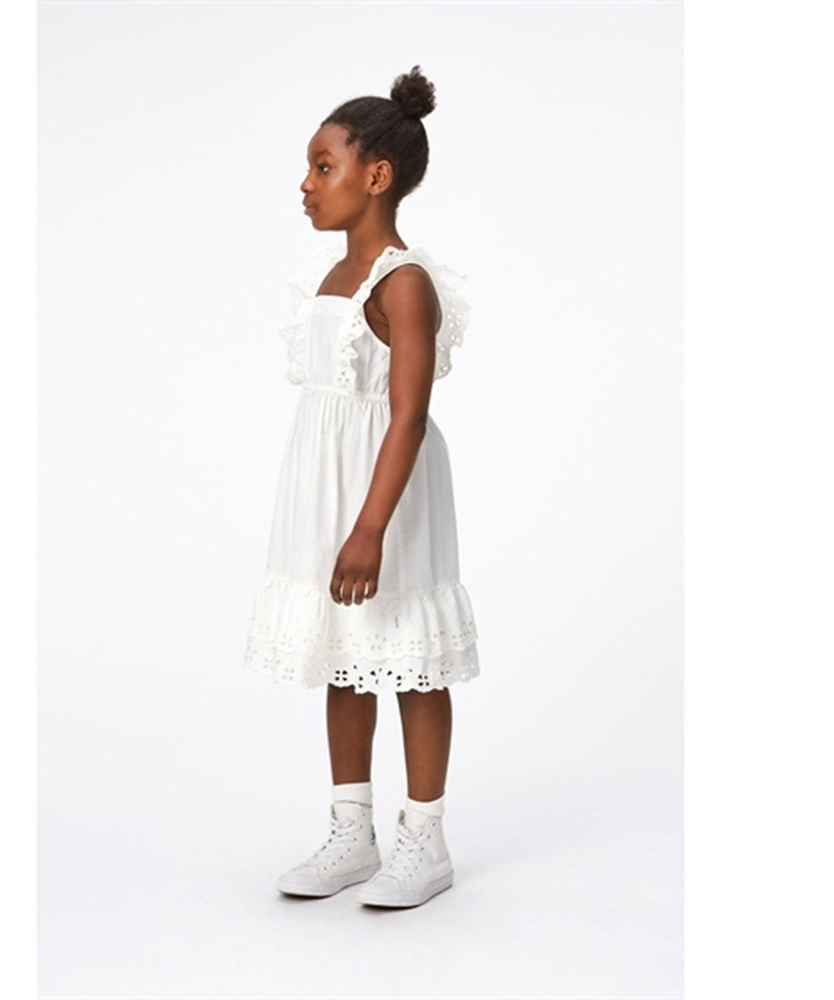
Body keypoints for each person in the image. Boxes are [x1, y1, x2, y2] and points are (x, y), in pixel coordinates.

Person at [242, 65, 481, 909]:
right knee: (343, 656)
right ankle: (352, 831)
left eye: (323, 165)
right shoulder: (330, 281)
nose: (307, 184)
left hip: (390, 494)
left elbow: (407, 415)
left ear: (375, 175)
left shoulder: (402, 283)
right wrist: (337, 520)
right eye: (309, 168)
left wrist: (372, 527)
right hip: (329, 492)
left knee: (411, 660)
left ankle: (426, 839)